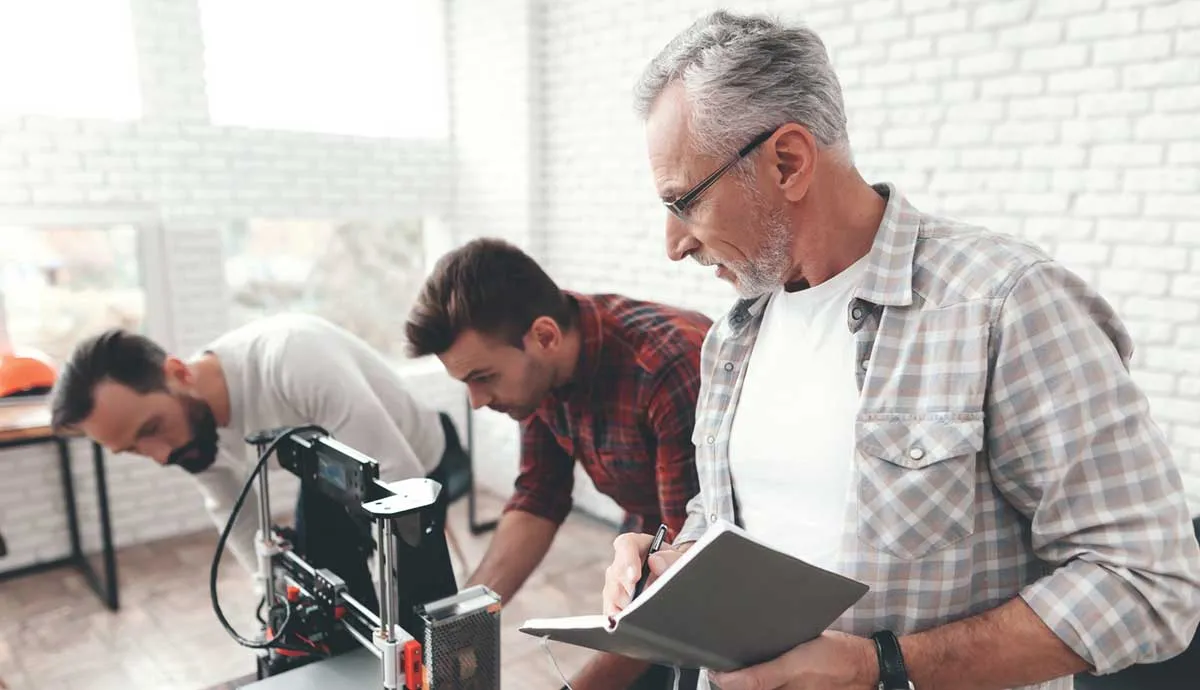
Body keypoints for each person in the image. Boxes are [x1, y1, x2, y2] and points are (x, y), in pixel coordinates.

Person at [602, 11, 1200, 690]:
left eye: (684, 203)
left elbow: (1149, 582)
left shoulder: (1005, 305)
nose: (672, 244)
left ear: (787, 162)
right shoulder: (734, 335)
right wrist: (670, 559)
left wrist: (882, 668)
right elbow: (729, 516)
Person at [405, 237, 710, 690]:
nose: (477, 402)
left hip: (720, 567)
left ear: (545, 336)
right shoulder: (539, 376)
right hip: (650, 545)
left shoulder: (665, 367)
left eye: (483, 378)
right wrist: (454, 631)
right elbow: (539, 499)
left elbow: (687, 572)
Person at [49, 314, 463, 633]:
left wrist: (392, 628)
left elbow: (399, 479)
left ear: (178, 374)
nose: (159, 456)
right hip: (329, 471)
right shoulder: (190, 429)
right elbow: (234, 514)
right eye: (133, 451)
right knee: (315, 604)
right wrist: (274, 604)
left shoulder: (292, 360)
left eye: (151, 430)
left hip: (413, 467)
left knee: (411, 620)